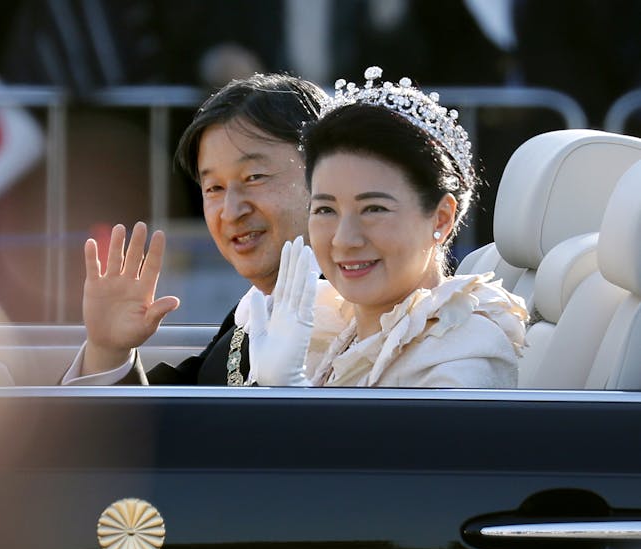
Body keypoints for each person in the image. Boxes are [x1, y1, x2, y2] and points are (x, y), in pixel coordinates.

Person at [249, 67, 528, 388]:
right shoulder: (330, 324)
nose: (344, 239)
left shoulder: (463, 355)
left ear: (441, 218)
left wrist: (288, 400)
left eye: (374, 209)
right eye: (325, 209)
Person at [62, 72, 339, 386]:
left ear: (326, 174)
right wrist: (108, 351)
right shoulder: (248, 316)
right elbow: (165, 424)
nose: (231, 211)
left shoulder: (364, 315)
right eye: (214, 188)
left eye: (254, 177)